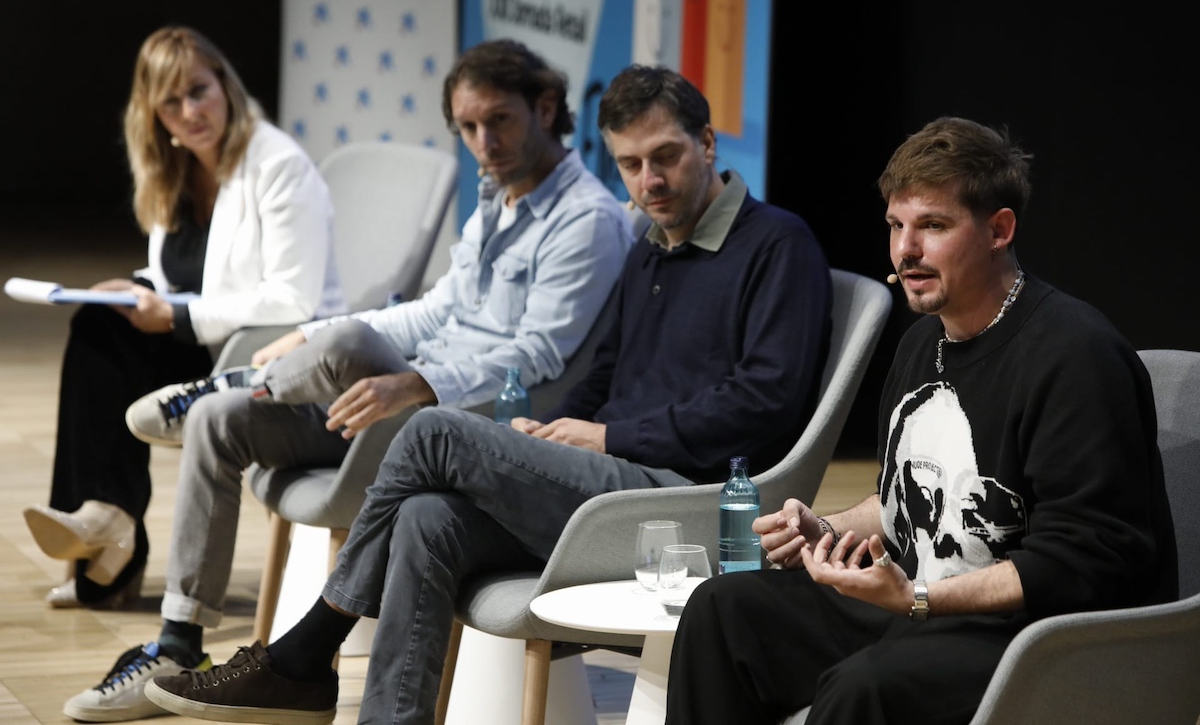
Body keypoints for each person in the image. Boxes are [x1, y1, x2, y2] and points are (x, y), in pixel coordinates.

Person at [140, 65, 832, 725]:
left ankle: (308, 650)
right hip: (610, 482)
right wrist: (555, 430)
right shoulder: (649, 246)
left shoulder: (778, 244)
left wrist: (606, 437)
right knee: (426, 520)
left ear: (709, 145)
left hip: (689, 502)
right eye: (629, 164)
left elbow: (761, 402)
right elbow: (606, 374)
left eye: (666, 156)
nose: (649, 180)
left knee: (430, 430)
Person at [59, 39, 634, 723]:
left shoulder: (586, 219)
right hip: (399, 402)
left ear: (545, 109)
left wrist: (416, 383)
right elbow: (438, 309)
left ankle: (227, 381)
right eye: (469, 127)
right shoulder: (498, 197)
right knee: (226, 419)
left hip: (479, 417)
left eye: (499, 121)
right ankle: (180, 641)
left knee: (352, 339)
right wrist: (313, 336)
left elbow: (538, 356)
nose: (484, 142)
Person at [662, 117, 1179, 725]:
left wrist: (917, 599)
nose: (906, 250)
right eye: (896, 226)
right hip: (924, 602)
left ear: (999, 230)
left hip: (1040, 634)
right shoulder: (920, 345)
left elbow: (1083, 562)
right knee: (724, 610)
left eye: (932, 226)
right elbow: (894, 501)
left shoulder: (1076, 356)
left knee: (866, 687)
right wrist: (822, 528)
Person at [21, 26, 344, 611]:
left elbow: (292, 301)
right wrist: (138, 289)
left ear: (225, 82)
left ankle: (107, 538)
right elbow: (182, 276)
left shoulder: (278, 164)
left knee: (105, 340)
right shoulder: (173, 171)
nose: (190, 111)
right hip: (207, 337)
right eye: (171, 102)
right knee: (98, 324)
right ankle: (102, 517)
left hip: (271, 353)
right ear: (154, 114)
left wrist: (174, 313)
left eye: (199, 90)